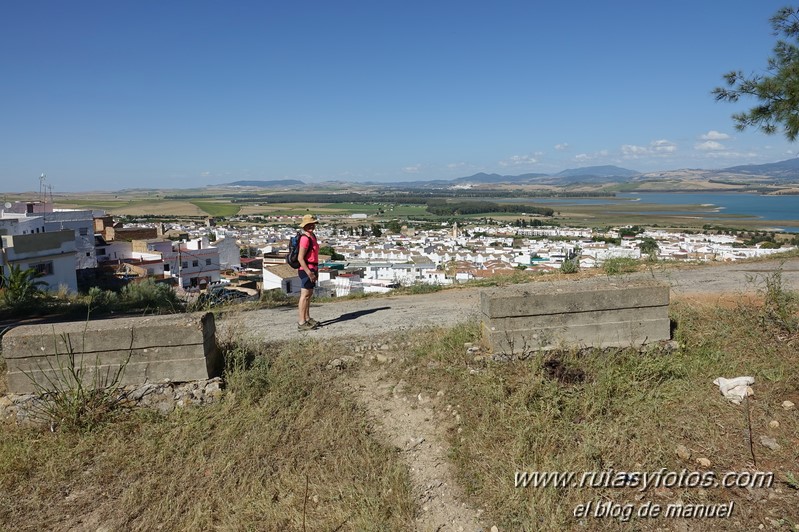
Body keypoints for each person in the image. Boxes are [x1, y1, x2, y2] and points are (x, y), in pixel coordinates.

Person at [297, 214, 321, 331]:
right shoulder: (305, 239)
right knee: (304, 295)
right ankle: (301, 322)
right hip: (306, 269)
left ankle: (307, 318)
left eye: (313, 224)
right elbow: (300, 258)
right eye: (308, 224)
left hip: (312, 268)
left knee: (308, 295)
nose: (311, 226)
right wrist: (309, 272)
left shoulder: (312, 237)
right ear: (304, 226)